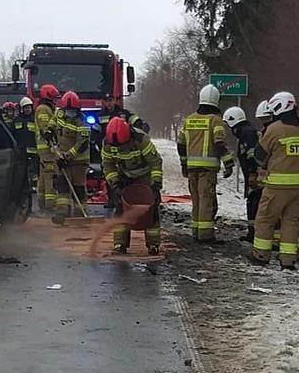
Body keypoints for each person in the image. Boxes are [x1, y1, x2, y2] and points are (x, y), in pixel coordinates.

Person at [251, 91, 299, 270]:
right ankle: (288, 261)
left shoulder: (275, 129)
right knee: (292, 222)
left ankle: (261, 256)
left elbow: (259, 156)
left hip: (277, 187)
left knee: (265, 219)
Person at [176, 84, 234, 243]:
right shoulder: (215, 120)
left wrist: (184, 164)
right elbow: (220, 143)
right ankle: (205, 235)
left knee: (196, 201)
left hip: (192, 168)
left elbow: (181, 144)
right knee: (206, 201)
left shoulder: (189, 120)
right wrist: (228, 163)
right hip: (207, 170)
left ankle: (196, 231)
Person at [102, 115, 163, 255]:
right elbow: (108, 166)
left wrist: (155, 185)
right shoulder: (108, 144)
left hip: (145, 176)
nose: (120, 148)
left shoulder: (141, 139)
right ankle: (120, 243)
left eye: (122, 145)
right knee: (120, 209)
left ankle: (153, 245)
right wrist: (115, 184)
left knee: (151, 211)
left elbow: (155, 162)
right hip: (124, 177)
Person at [223, 105, 263, 243]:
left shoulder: (247, 133)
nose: (230, 129)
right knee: (252, 202)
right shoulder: (245, 132)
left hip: (255, 175)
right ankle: (253, 232)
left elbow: (252, 154)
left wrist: (253, 173)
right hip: (252, 174)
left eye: (229, 124)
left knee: (254, 203)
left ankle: (254, 233)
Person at [50, 91, 90, 224]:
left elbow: (81, 144)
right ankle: (62, 213)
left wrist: (67, 157)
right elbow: (53, 123)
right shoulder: (59, 114)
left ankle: (79, 213)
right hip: (61, 157)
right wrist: (49, 131)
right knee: (62, 186)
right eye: (67, 110)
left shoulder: (82, 123)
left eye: (72, 110)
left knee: (78, 187)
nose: (69, 113)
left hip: (78, 161)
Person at [34, 84, 60, 214]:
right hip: (47, 148)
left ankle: (42, 202)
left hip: (44, 149)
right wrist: (52, 143)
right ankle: (50, 204)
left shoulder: (45, 108)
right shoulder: (44, 109)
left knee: (44, 176)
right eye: (55, 98)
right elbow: (45, 128)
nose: (56, 101)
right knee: (50, 175)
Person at [10, 96, 39, 209]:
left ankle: (34, 187)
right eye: (25, 108)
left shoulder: (34, 119)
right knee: (22, 176)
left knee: (35, 173)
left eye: (29, 107)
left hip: (34, 153)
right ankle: (24, 190)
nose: (27, 110)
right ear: (21, 108)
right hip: (21, 154)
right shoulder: (16, 121)